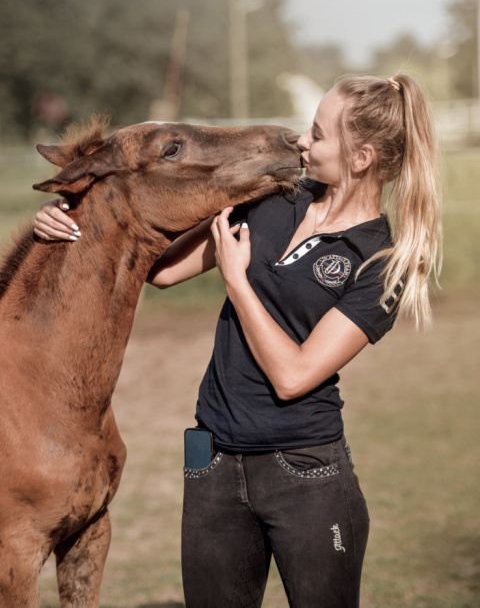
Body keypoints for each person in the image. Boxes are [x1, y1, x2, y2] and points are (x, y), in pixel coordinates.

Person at [34, 72, 442, 608]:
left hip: (306, 474)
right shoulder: (274, 197)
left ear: (361, 158)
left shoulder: (383, 263)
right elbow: (160, 269)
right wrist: (71, 222)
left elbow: (294, 376)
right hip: (213, 465)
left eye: (318, 135)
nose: (302, 141)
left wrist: (237, 281)